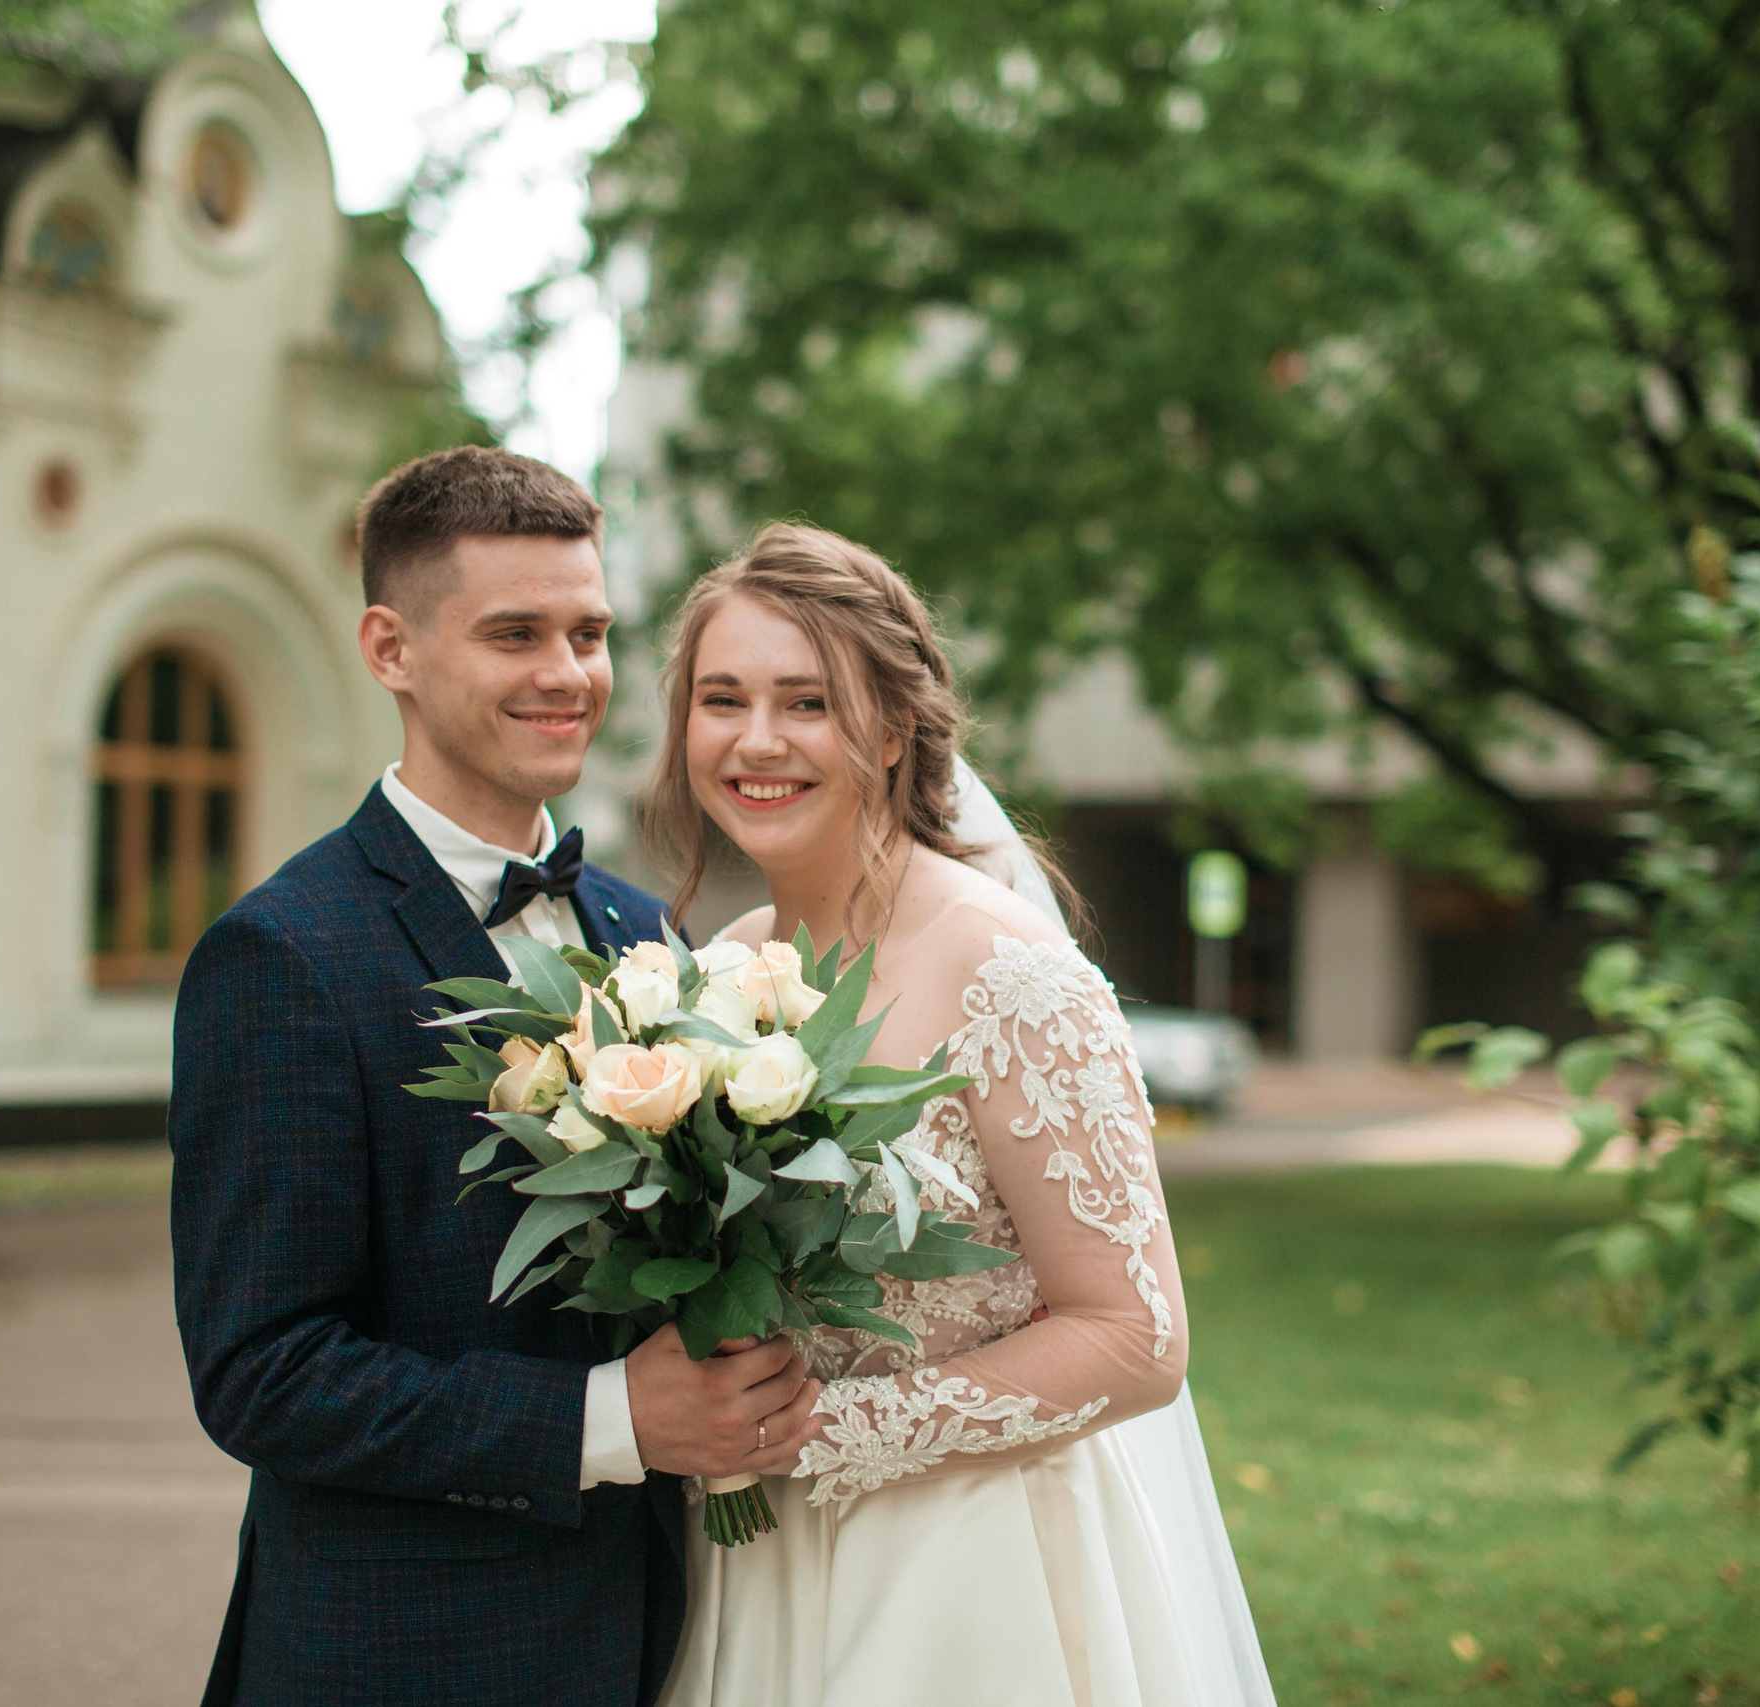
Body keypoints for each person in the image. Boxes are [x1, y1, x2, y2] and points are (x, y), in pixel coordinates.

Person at [168, 449, 822, 1707]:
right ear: (390, 648)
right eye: (515, 633)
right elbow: (264, 1372)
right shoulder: (283, 956)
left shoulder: (650, 933)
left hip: (656, 1628)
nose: (568, 675)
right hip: (407, 1654)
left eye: (589, 633)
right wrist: (614, 1423)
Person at [650, 522, 1279, 1707]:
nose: (756, 741)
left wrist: (817, 1438)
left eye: (807, 703)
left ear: (891, 731)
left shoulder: (1003, 968)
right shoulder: (718, 976)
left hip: (977, 1572)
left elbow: (1136, 1338)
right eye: (720, 699)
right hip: (760, 1562)